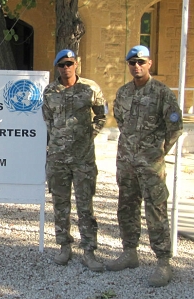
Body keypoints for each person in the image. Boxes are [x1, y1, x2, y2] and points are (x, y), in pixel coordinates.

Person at [105, 45, 183, 287]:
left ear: (150, 63)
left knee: (156, 210)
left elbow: (175, 127)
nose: (136, 66)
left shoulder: (162, 93)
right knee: (126, 207)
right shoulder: (124, 92)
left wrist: (157, 152)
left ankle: (163, 262)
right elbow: (121, 121)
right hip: (126, 163)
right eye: (132, 62)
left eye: (141, 62)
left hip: (151, 166)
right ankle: (130, 252)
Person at [42, 49, 107, 272]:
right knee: (60, 205)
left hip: (83, 159)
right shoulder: (50, 91)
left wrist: (89, 135)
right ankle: (64, 246)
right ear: (57, 67)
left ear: (76, 64)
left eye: (69, 63)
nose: (66, 68)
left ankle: (89, 250)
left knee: (85, 206)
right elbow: (48, 120)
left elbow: (101, 115)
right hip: (58, 158)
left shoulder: (90, 88)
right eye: (62, 65)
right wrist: (60, 141)